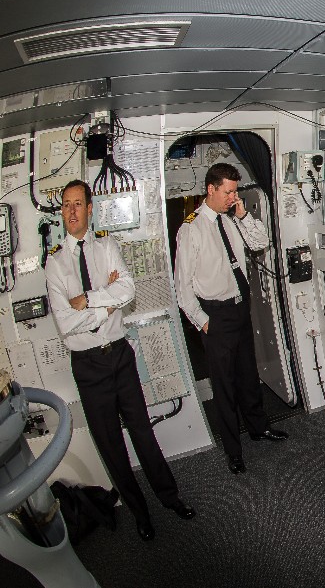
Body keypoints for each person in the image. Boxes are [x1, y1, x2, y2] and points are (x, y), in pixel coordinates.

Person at [45, 180, 194, 542]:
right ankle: (140, 514)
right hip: (88, 365)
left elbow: (127, 290)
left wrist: (90, 299)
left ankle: (169, 497)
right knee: (111, 445)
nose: (72, 211)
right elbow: (66, 323)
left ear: (90, 208)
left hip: (120, 357)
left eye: (78, 204)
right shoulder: (55, 262)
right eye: (66, 205)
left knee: (143, 431)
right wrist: (106, 304)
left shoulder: (106, 244)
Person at [174, 163, 287, 475]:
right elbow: (182, 286)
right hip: (216, 315)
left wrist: (244, 215)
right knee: (223, 387)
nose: (233, 197)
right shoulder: (191, 229)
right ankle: (233, 452)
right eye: (228, 192)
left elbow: (260, 242)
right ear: (211, 189)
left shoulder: (233, 219)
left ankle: (258, 428)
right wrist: (203, 321)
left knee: (248, 375)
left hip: (240, 308)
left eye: (235, 191)